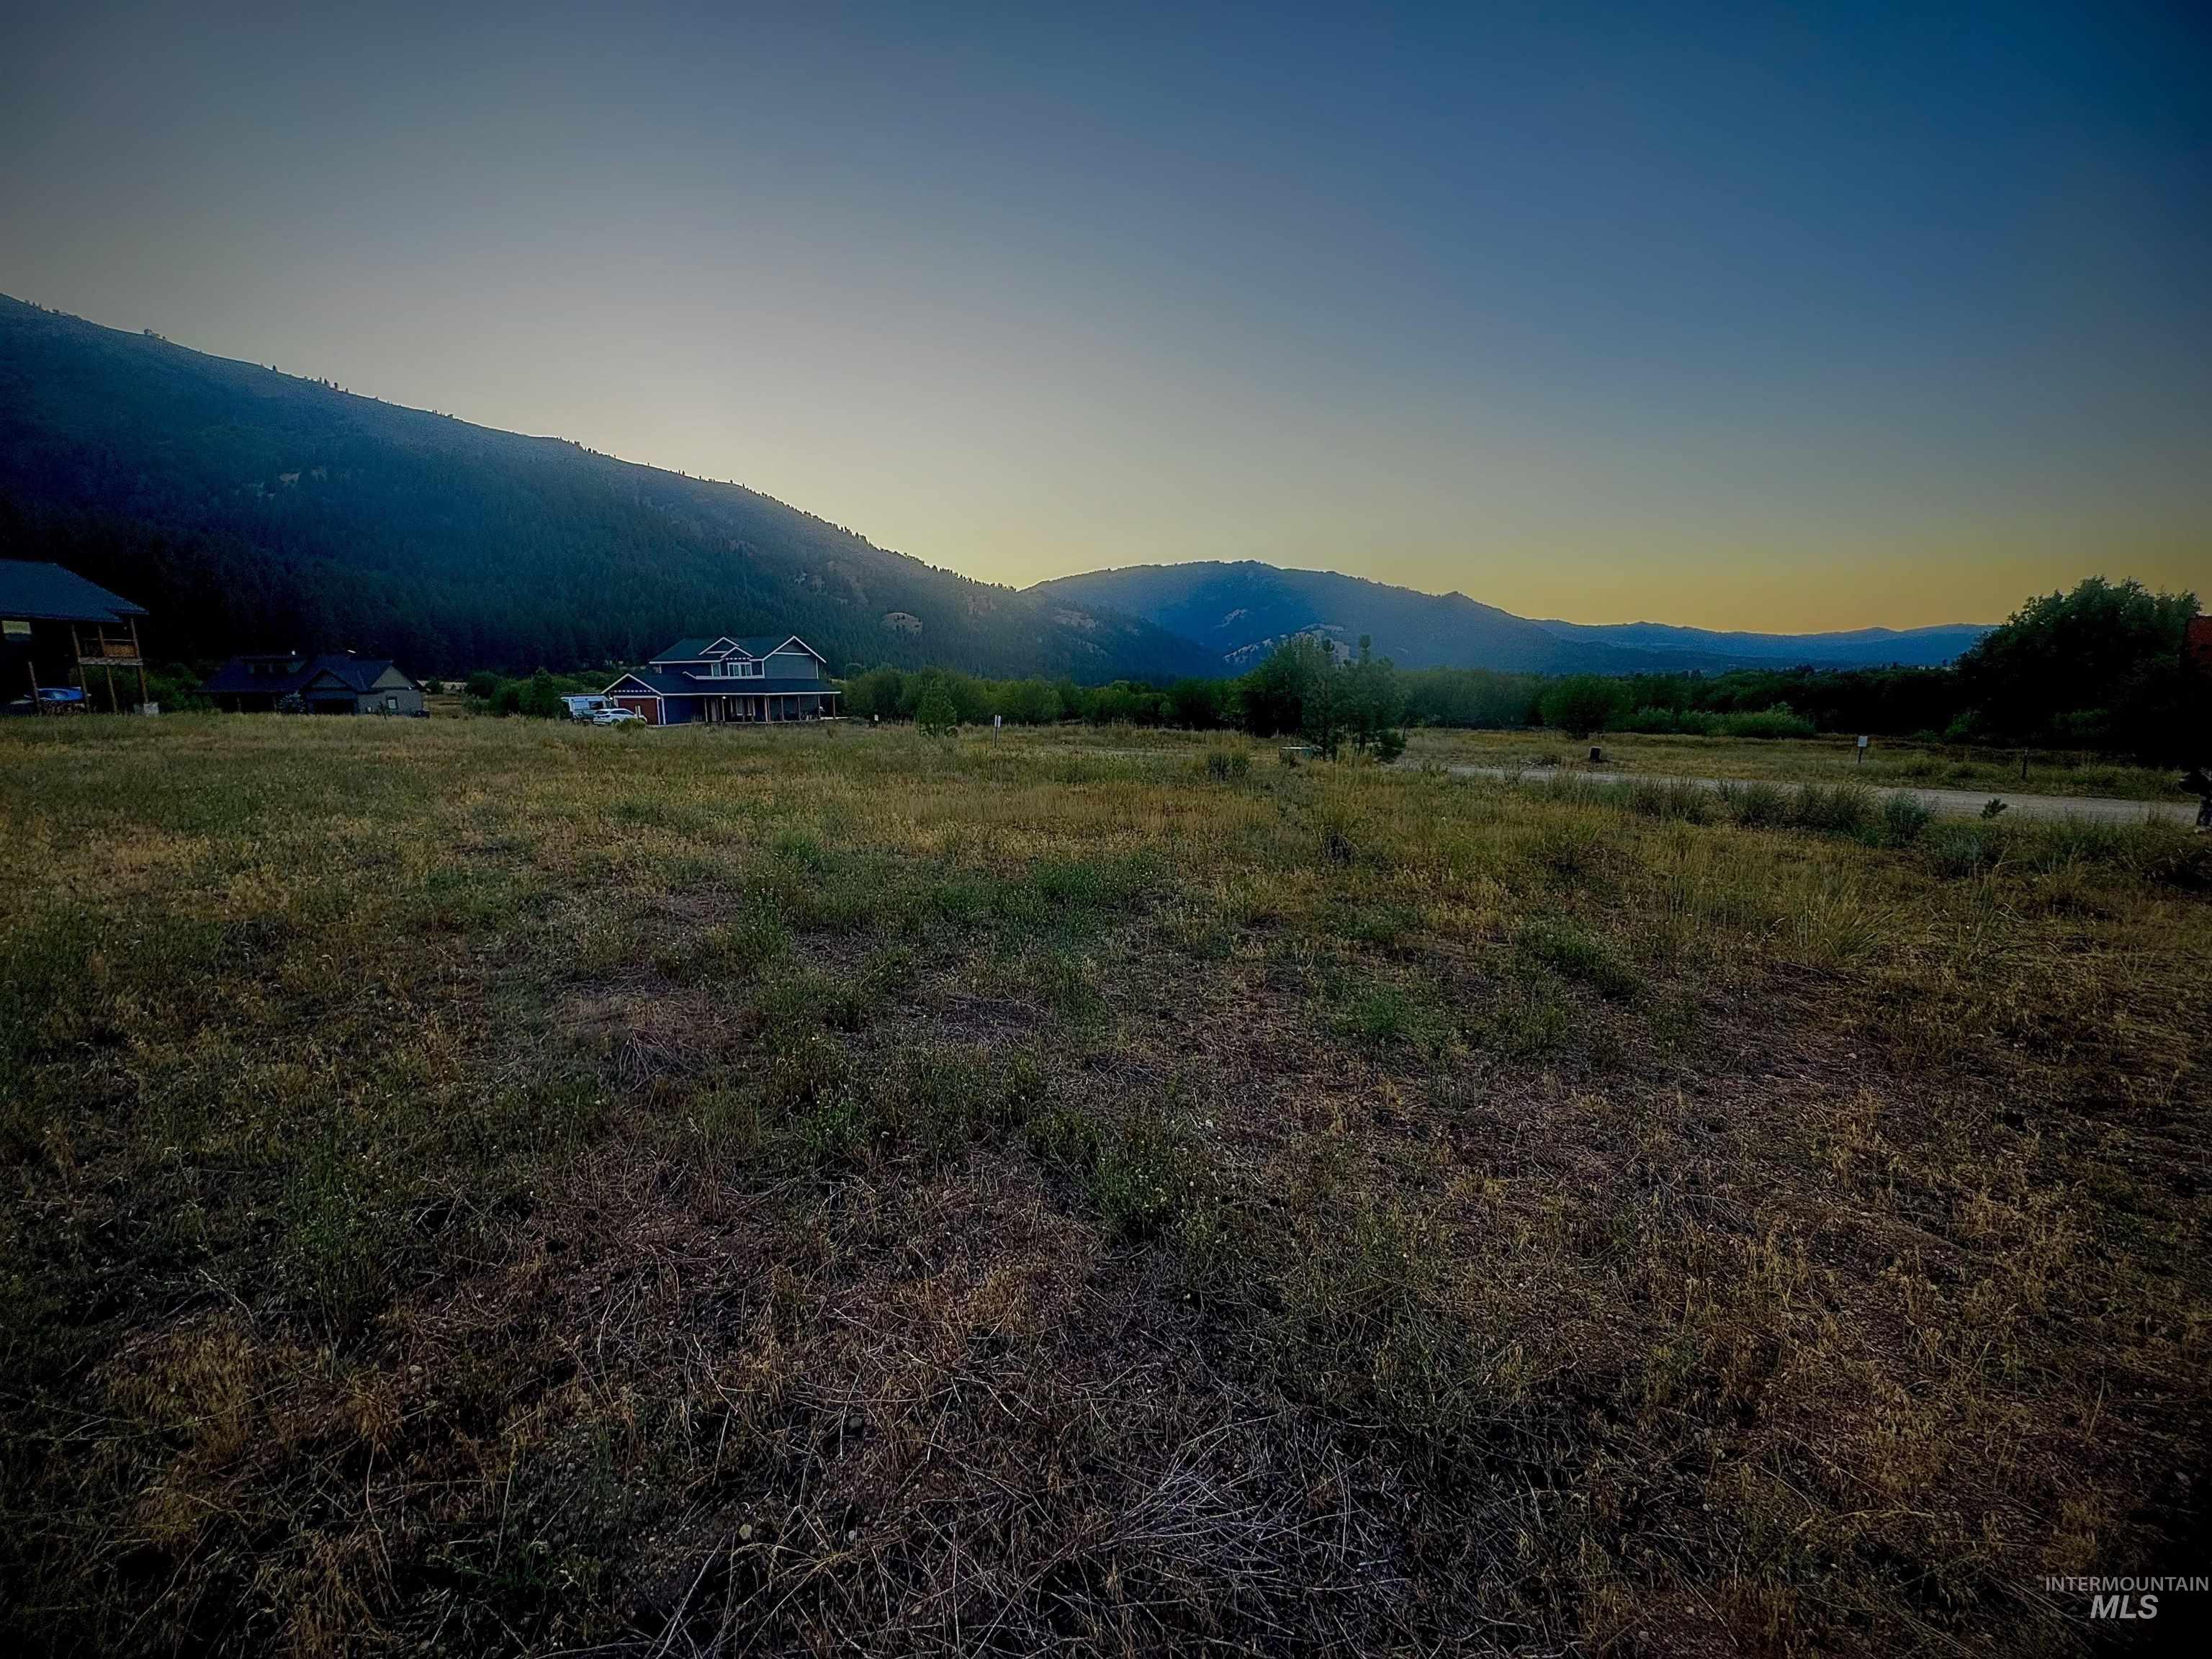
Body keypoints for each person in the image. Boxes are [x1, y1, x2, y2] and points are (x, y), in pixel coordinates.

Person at [2182, 765, 2212, 834]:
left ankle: (2203, 826)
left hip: (2206, 787)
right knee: (2207, 807)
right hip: (2205, 789)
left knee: (2207, 807)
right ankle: (2202, 827)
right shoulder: (2202, 776)